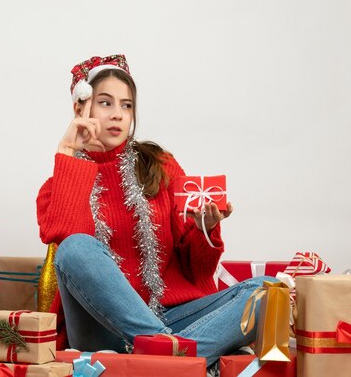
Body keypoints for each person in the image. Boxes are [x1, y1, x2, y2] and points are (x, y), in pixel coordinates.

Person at [36, 54, 274, 367]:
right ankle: (175, 360)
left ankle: (155, 359)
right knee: (75, 247)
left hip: (175, 318)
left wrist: (204, 229)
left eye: (127, 105)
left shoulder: (159, 166)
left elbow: (199, 272)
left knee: (268, 292)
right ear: (82, 107)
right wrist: (68, 152)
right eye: (106, 103)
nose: (118, 115)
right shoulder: (59, 182)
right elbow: (68, 250)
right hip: (100, 330)